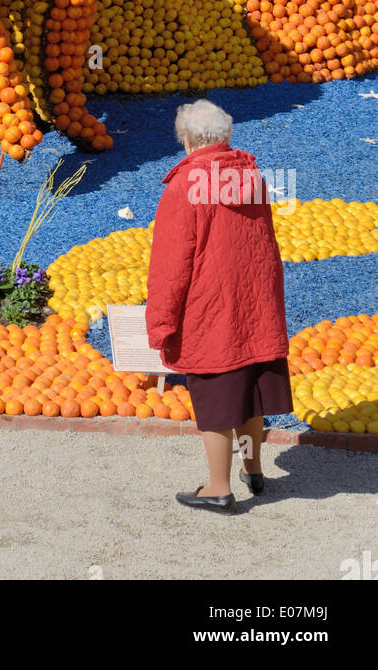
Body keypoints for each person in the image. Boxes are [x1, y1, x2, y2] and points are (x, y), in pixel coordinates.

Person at [145, 99, 292, 512]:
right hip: (255, 302)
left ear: (187, 140)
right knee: (250, 392)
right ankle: (254, 470)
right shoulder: (251, 176)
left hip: (210, 307)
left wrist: (160, 323)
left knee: (216, 396)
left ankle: (218, 488)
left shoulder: (185, 185)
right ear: (225, 136)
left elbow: (171, 264)